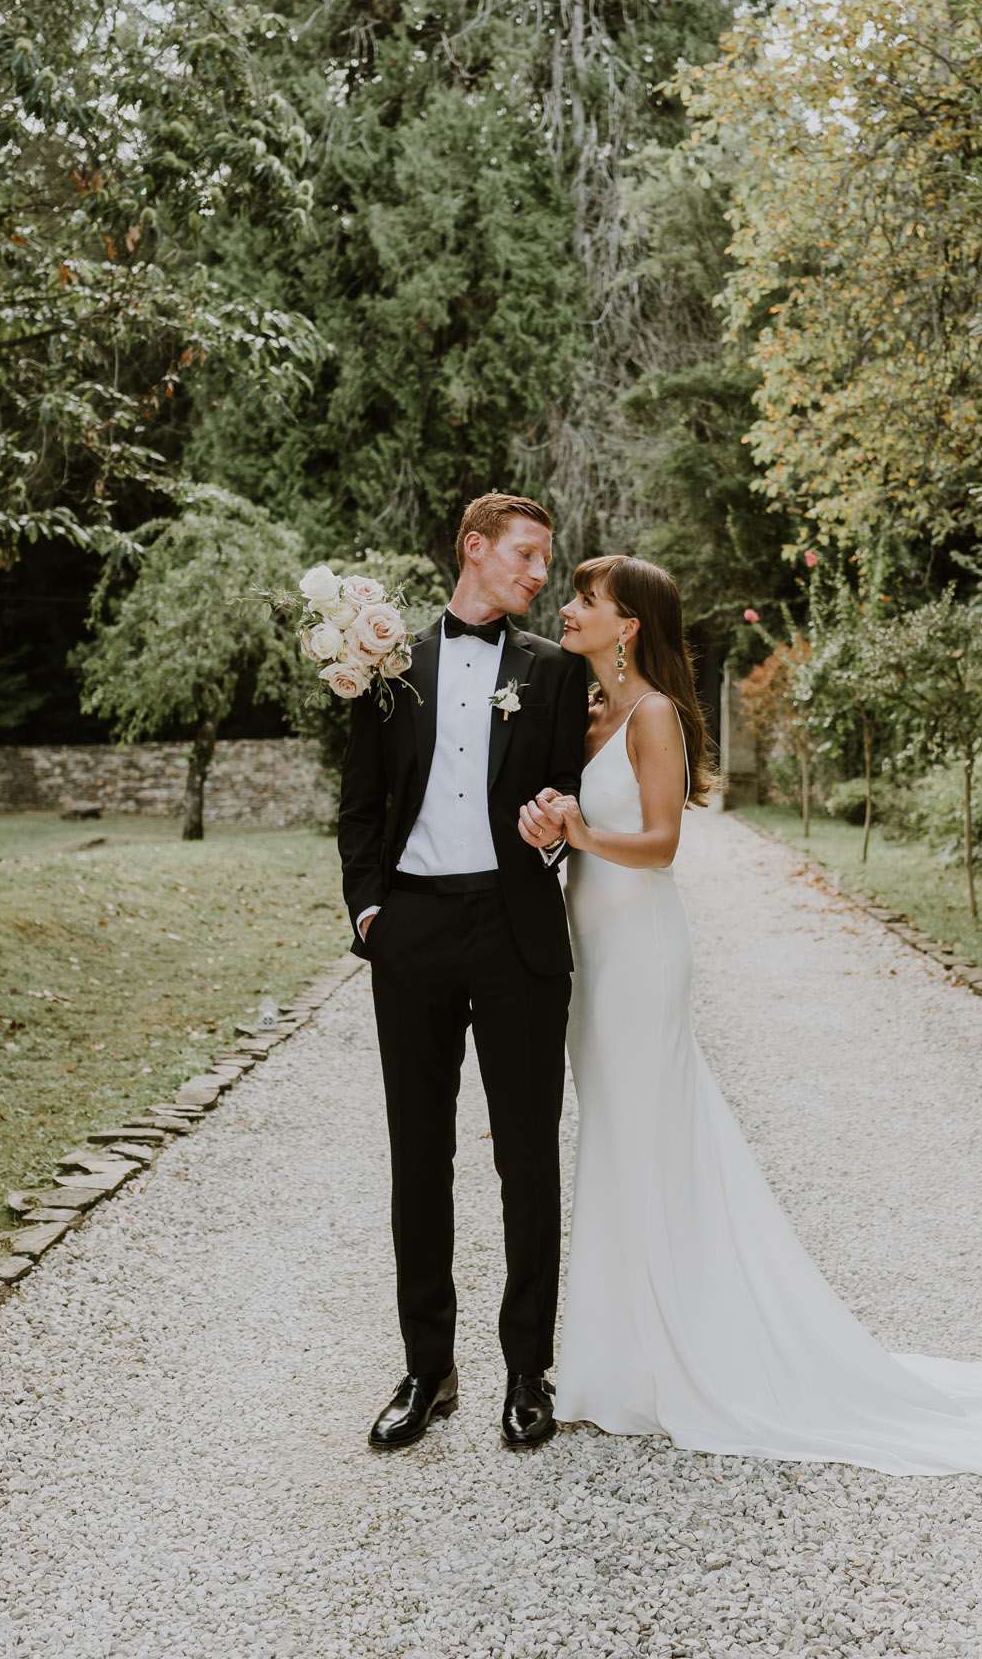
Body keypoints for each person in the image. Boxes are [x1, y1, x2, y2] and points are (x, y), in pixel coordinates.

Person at [518, 553, 982, 1489]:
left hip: (642, 953)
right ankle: (618, 1354)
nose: (569, 608)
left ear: (627, 626)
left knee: (649, 1134)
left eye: (586, 599)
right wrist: (553, 825)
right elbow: (582, 824)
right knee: (614, 1141)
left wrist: (582, 833)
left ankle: (678, 1353)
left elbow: (660, 845)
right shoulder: (587, 715)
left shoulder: (654, 713)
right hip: (593, 952)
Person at [338, 492, 586, 1452]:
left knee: (524, 1157)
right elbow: (360, 803)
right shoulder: (390, 664)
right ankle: (426, 1368)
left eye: (543, 560)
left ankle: (528, 1373)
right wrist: (371, 913)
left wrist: (554, 833)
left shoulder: (555, 673)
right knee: (418, 1155)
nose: (537, 574)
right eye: (524, 555)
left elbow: (566, 790)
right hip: (411, 932)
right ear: (474, 551)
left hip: (515, 931)